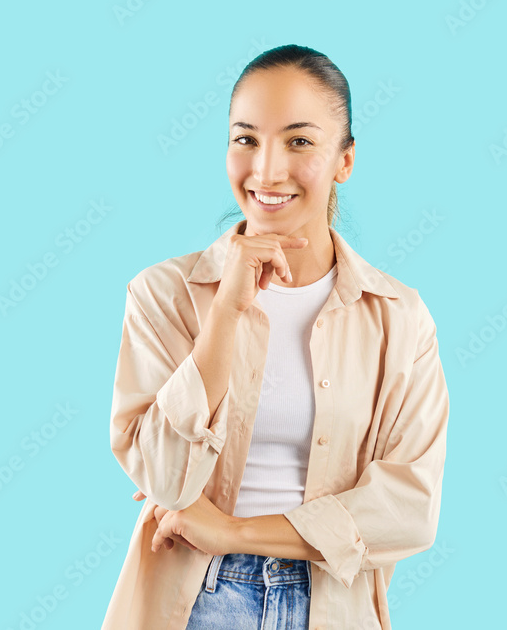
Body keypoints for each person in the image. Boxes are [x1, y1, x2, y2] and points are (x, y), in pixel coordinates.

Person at [100, 44, 450, 630]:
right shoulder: (162, 296)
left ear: (344, 160)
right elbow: (163, 478)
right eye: (246, 139)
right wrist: (226, 313)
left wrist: (233, 530)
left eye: (299, 141)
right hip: (198, 599)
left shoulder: (399, 317)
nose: (266, 171)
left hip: (333, 604)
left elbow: (409, 509)